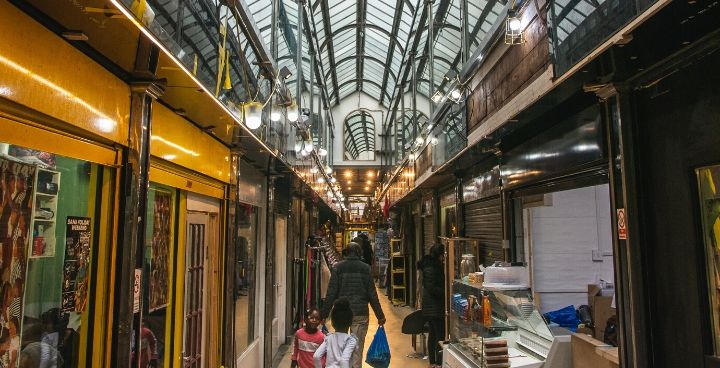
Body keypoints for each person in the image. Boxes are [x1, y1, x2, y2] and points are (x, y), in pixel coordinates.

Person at [321, 242, 385, 368]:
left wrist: (324, 314)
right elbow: (372, 294)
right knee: (356, 348)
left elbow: (331, 293)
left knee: (342, 347)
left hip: (342, 314)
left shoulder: (338, 267)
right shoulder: (365, 268)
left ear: (346, 252)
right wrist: (380, 316)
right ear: (359, 253)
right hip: (360, 313)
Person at [421, 243, 446, 368]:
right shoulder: (432, 267)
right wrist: (446, 292)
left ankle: (433, 362)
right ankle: (438, 362)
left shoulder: (430, 265)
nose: (444, 257)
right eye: (443, 255)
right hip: (434, 306)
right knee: (439, 334)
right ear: (439, 255)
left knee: (433, 334)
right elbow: (431, 287)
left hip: (431, 306)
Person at [314, 299, 357, 368]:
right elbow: (344, 360)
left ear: (332, 323)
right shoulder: (350, 341)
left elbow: (316, 356)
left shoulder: (328, 338)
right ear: (351, 322)